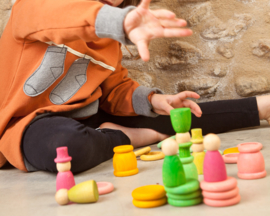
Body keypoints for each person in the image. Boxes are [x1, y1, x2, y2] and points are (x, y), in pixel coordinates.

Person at [0, 0, 269, 174]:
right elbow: (60, 14)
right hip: (22, 126)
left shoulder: (109, 43)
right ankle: (123, 138)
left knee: (175, 117)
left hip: (85, 115)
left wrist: (153, 101)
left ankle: (260, 107)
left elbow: (115, 89)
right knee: (67, 146)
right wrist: (119, 22)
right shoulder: (33, 6)